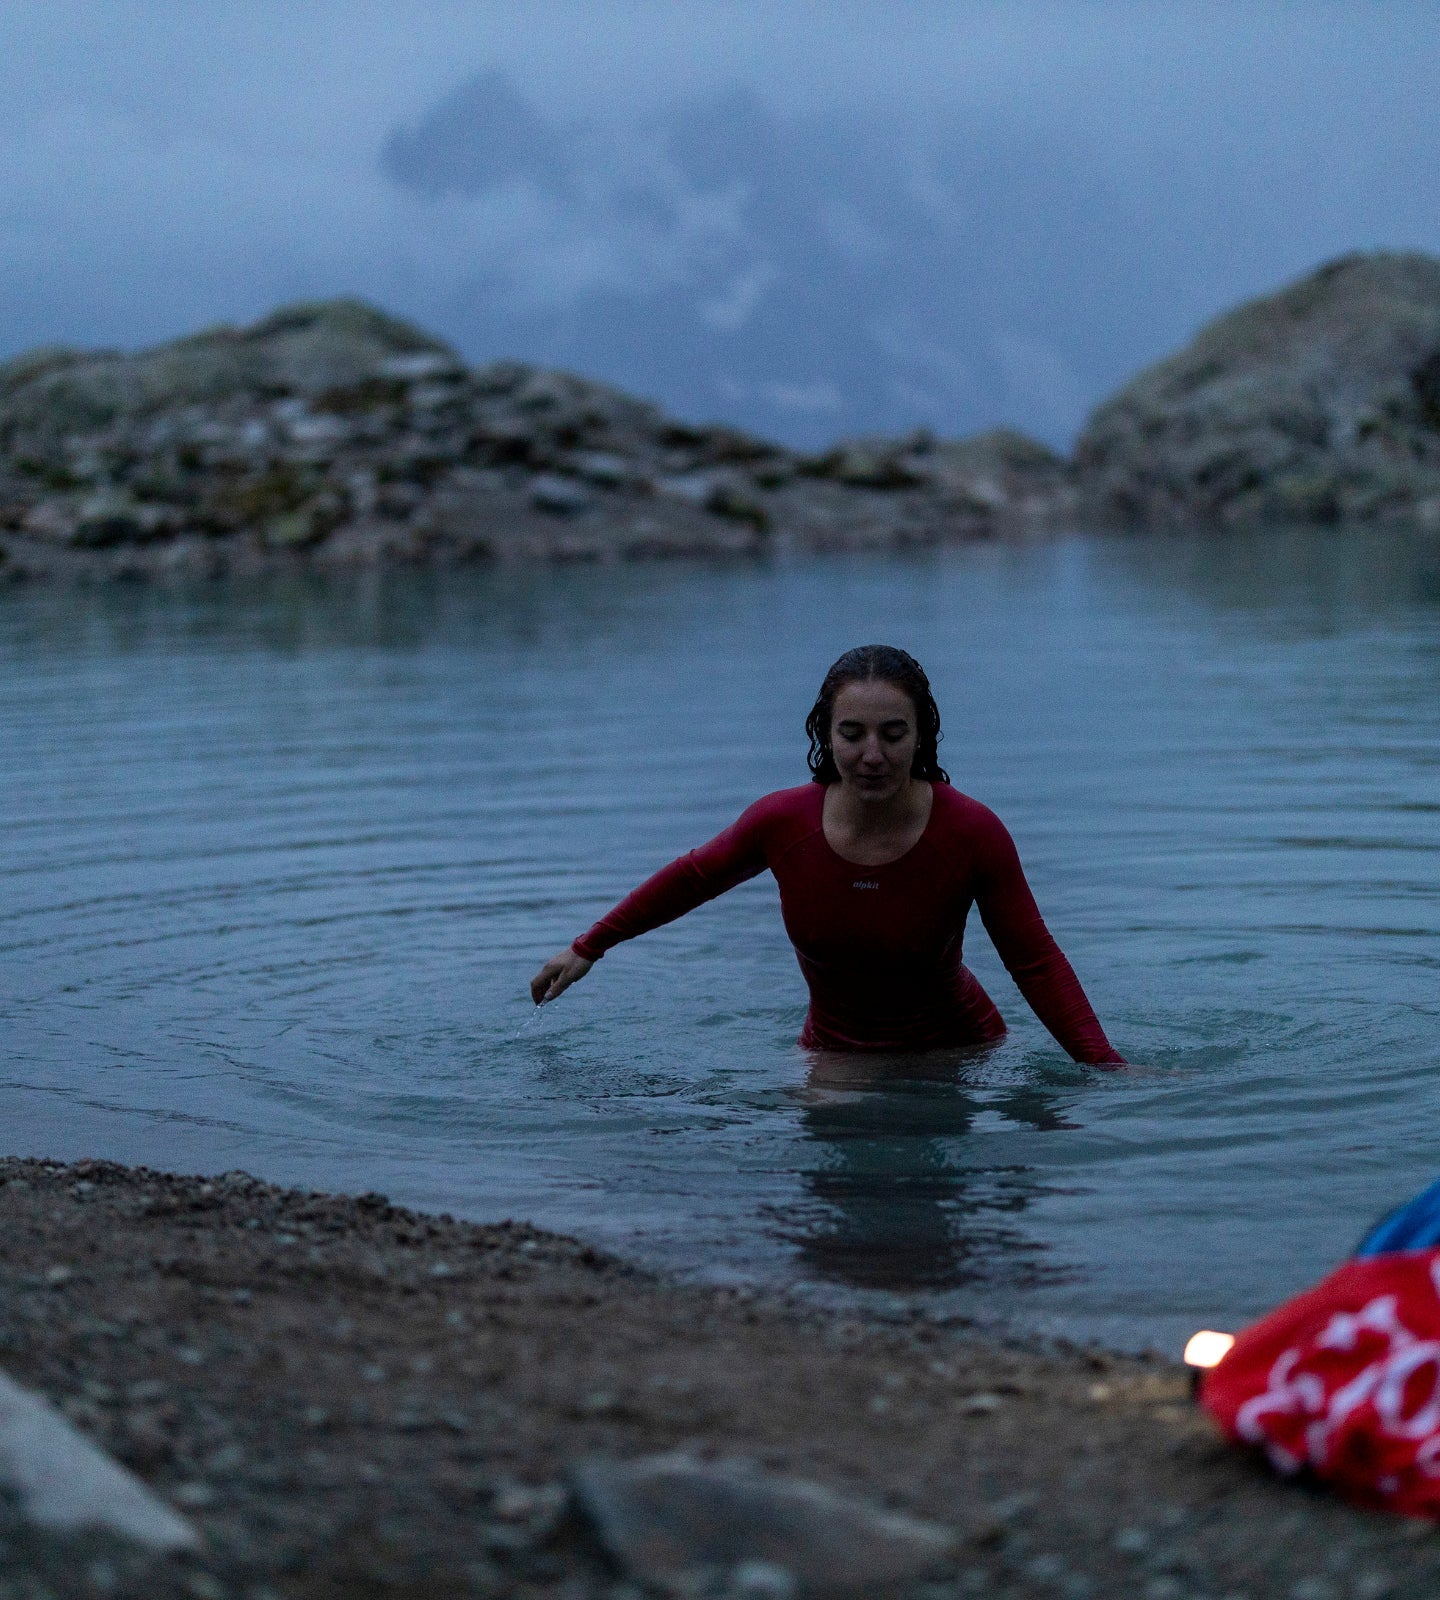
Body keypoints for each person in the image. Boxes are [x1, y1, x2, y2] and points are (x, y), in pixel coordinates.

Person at [530, 644, 1124, 1065]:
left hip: (959, 1054)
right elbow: (693, 878)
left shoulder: (971, 831)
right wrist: (589, 945)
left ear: (921, 735)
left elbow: (1035, 960)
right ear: (825, 734)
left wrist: (1107, 1068)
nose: (873, 755)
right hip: (836, 1056)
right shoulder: (782, 822)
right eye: (852, 734)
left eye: (893, 734)